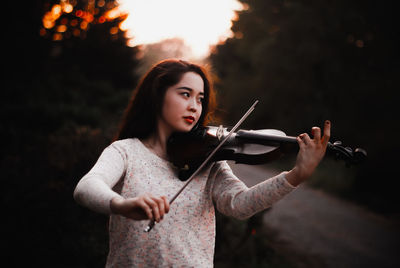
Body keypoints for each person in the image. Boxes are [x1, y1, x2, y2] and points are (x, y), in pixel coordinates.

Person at [73, 59, 331, 267]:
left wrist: (296, 175)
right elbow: (86, 187)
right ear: (157, 96)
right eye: (185, 94)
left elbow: (240, 205)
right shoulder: (126, 152)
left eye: (199, 99)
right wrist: (122, 205)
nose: (194, 107)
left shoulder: (208, 160)